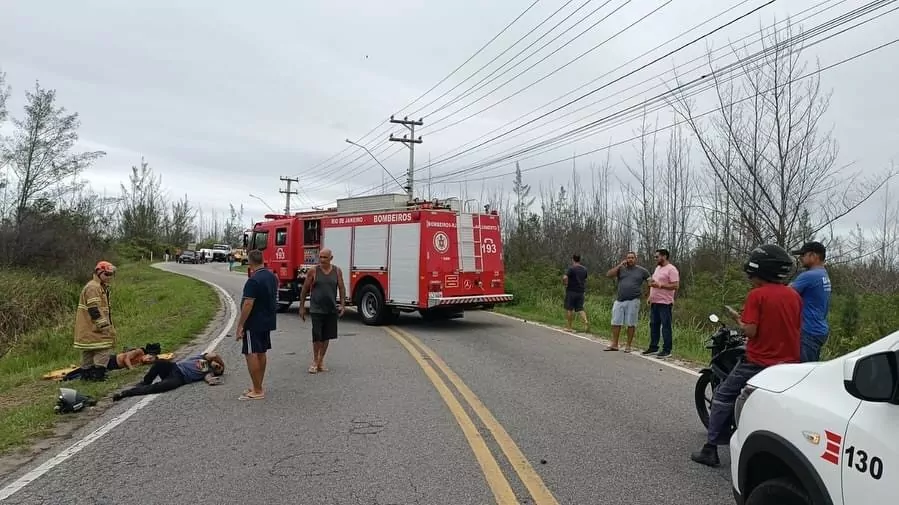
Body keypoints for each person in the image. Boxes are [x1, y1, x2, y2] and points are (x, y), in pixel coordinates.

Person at [690, 244, 801, 467]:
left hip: (759, 362)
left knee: (722, 395)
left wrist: (737, 320)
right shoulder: (793, 295)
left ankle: (710, 448)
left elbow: (750, 331)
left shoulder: (757, 295)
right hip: (790, 365)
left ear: (757, 271)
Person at [236, 249, 278, 400]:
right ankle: (257, 385)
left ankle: (258, 390)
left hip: (254, 322)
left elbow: (248, 303)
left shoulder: (253, 280)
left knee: (251, 353)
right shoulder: (272, 276)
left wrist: (241, 325)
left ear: (250, 261)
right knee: (261, 352)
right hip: (268, 320)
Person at [299, 248, 346, 374]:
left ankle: (321, 360)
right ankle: (315, 361)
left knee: (327, 336)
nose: (322, 260)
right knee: (317, 336)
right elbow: (304, 289)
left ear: (331, 258)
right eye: (321, 257)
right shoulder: (313, 271)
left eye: (325, 257)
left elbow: (341, 288)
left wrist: (342, 304)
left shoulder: (337, 271)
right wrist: (302, 306)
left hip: (331, 309)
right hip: (316, 309)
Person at [112, 352, 225, 401]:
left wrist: (211, 381)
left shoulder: (207, 372)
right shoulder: (203, 357)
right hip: (174, 367)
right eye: (219, 365)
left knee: (159, 387)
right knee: (160, 362)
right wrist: (222, 364)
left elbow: (208, 378)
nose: (217, 366)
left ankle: (127, 393)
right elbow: (214, 355)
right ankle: (145, 382)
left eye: (218, 369)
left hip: (180, 378)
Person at [74, 261, 118, 382]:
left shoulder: (97, 286)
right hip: (94, 328)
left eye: (111, 274)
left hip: (88, 328)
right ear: (99, 273)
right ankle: (98, 375)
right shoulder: (93, 287)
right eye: (107, 274)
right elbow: (94, 309)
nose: (109, 277)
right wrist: (104, 326)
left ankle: (86, 375)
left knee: (88, 351)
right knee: (103, 350)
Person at [790, 241, 832, 362]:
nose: (800, 258)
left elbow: (785, 295)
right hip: (819, 329)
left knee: (803, 373)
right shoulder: (823, 274)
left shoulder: (810, 275)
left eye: (803, 255)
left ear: (814, 256)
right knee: (811, 368)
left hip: (808, 331)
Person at [605, 252, 650, 352]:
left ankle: (628, 345)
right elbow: (608, 275)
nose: (630, 260)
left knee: (631, 323)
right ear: (626, 259)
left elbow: (650, 281)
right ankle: (614, 344)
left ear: (635, 259)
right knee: (616, 322)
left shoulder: (642, 270)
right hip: (620, 299)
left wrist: (648, 294)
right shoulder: (621, 269)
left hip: (633, 300)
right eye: (628, 258)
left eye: (632, 258)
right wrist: (619, 265)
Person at [644, 249, 679, 358]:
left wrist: (660, 285)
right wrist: (650, 296)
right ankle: (653, 347)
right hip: (655, 301)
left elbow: (675, 285)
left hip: (665, 302)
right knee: (653, 325)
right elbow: (654, 283)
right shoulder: (658, 268)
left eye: (657, 257)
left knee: (666, 326)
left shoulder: (672, 269)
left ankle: (667, 350)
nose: (655, 259)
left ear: (664, 256)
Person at [562, 254, 589, 332]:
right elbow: (585, 279)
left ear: (573, 259)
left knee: (569, 309)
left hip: (571, 291)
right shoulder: (584, 269)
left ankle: (569, 327)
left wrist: (565, 283)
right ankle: (586, 321)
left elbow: (565, 277)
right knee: (580, 308)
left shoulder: (571, 268)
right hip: (581, 292)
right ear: (579, 260)